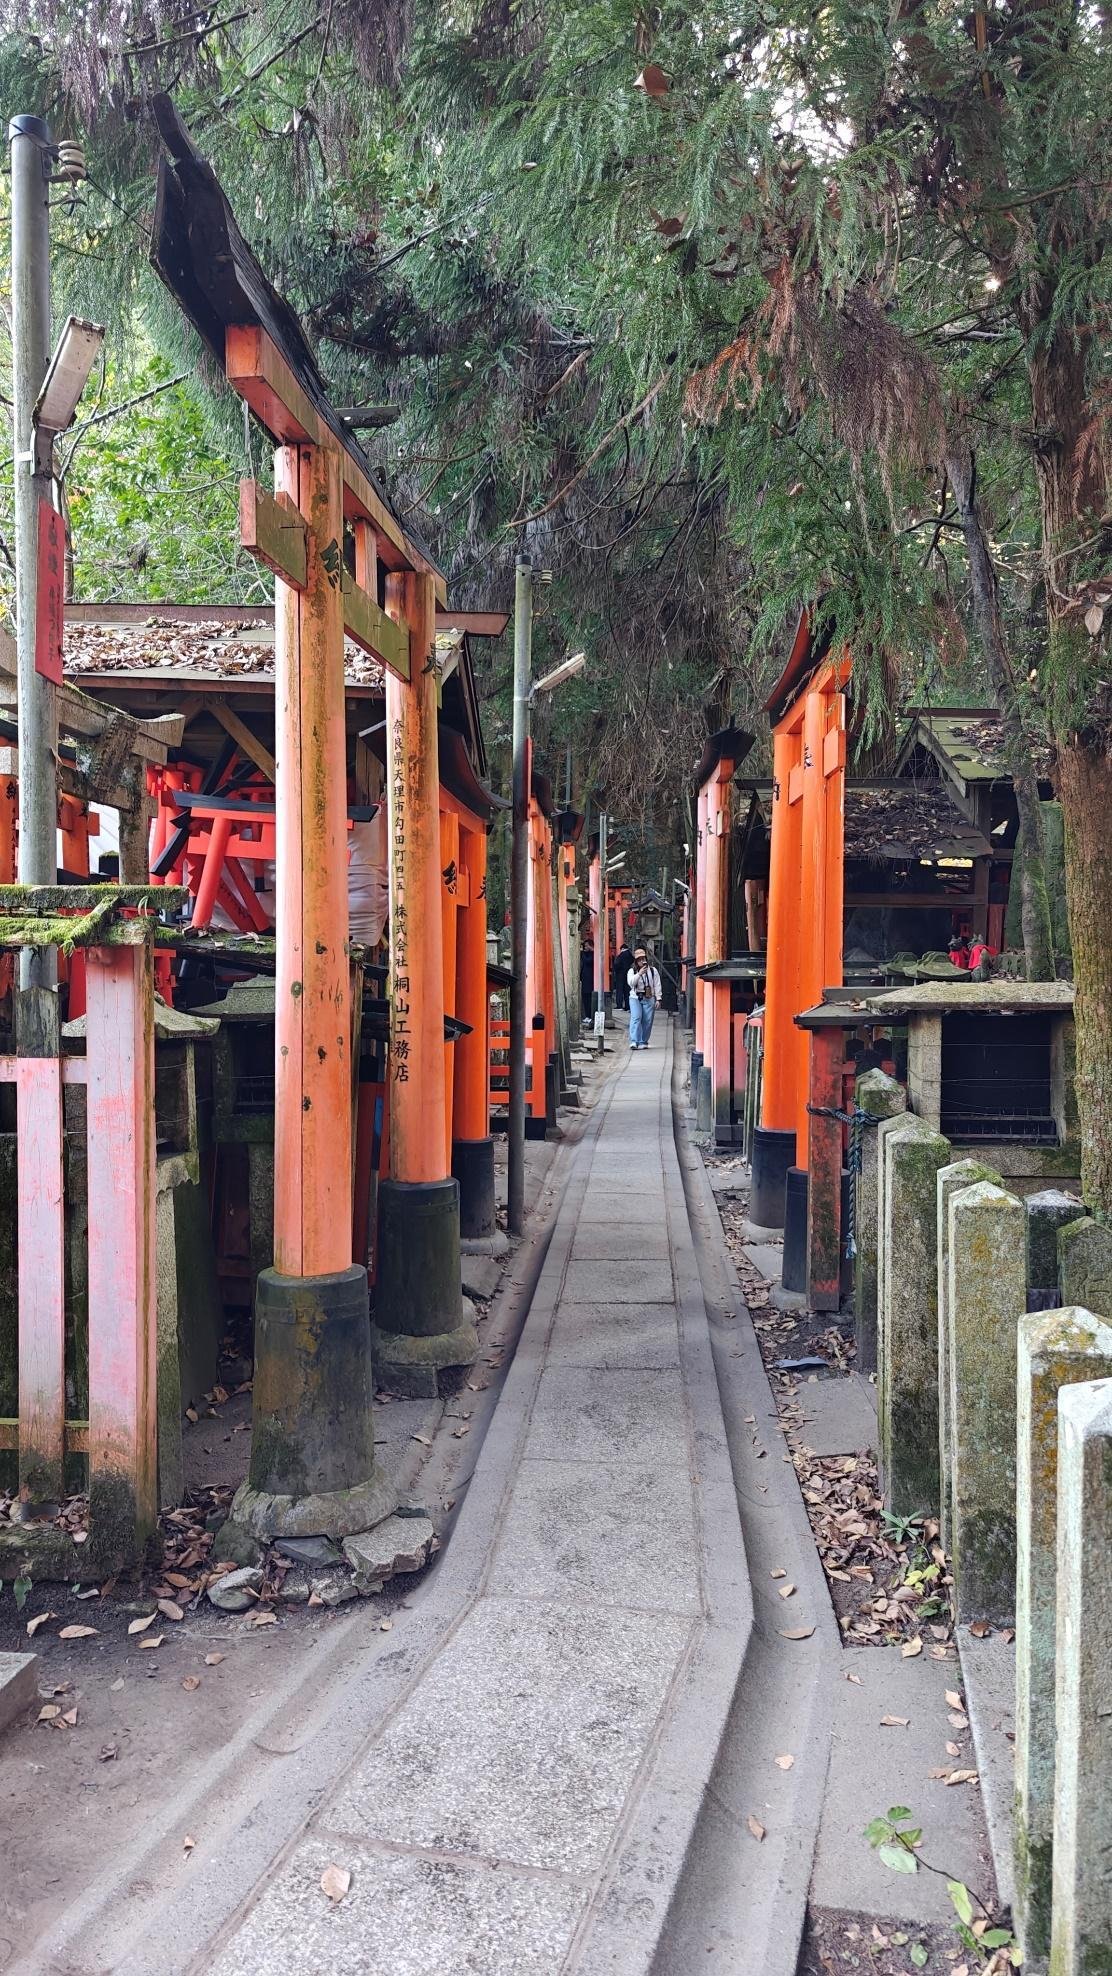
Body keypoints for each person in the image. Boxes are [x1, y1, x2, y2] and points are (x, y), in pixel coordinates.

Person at [627, 945, 662, 1049]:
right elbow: (631, 983)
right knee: (636, 1018)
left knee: (647, 1020)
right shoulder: (632, 971)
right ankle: (634, 1040)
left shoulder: (653, 971)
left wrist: (658, 998)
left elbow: (657, 984)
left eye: (643, 959)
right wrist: (639, 974)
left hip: (649, 996)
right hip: (635, 997)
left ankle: (643, 1041)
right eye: (639, 960)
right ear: (636, 961)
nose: (642, 961)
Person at [612, 942, 634, 1011]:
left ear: (622, 948)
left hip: (620, 974)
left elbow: (616, 964)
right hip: (627, 974)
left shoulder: (621, 955)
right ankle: (627, 1006)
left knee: (620, 990)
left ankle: (619, 1005)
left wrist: (615, 970)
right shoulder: (630, 955)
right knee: (627, 991)